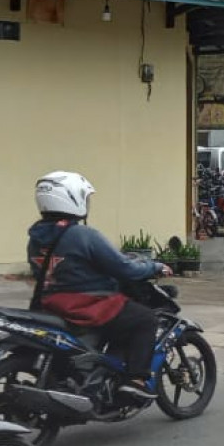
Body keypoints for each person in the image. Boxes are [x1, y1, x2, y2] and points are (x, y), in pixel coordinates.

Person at [28, 171, 170, 401]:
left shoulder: (36, 238)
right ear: (72, 198)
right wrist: (153, 267)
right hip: (89, 305)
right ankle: (135, 380)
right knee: (145, 319)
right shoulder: (83, 235)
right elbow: (124, 268)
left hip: (50, 304)